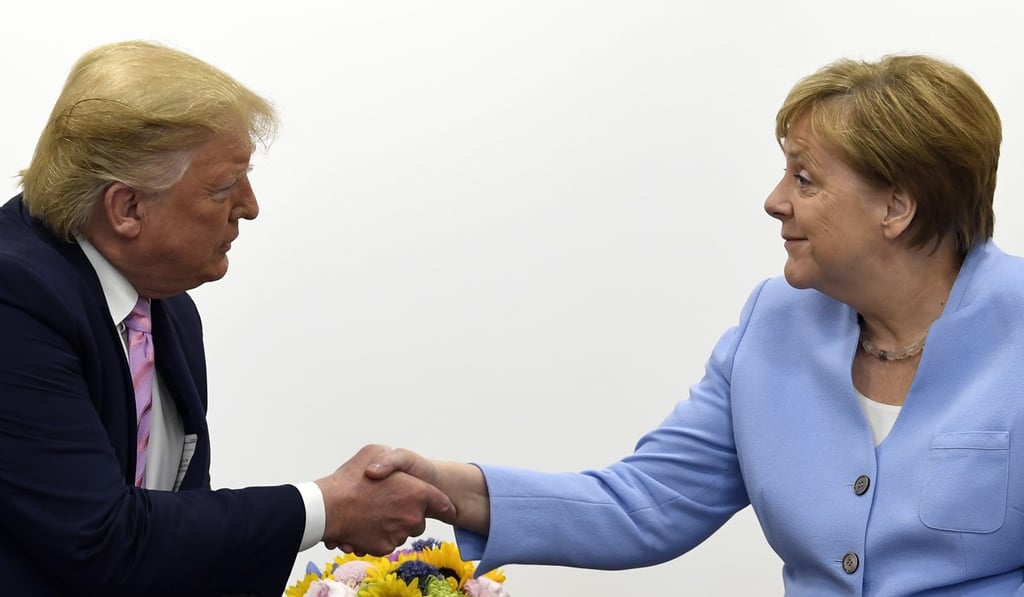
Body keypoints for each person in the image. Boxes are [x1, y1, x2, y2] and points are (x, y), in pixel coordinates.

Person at [367, 54, 1024, 595]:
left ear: (898, 206)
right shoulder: (774, 323)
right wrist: (444, 486)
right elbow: (643, 502)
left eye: (805, 177)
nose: (775, 201)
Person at [0, 41, 453, 597]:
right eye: (222, 186)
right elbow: (101, 540)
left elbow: (175, 544)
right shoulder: (13, 297)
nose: (250, 205)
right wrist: (328, 506)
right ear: (128, 209)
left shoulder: (168, 310)